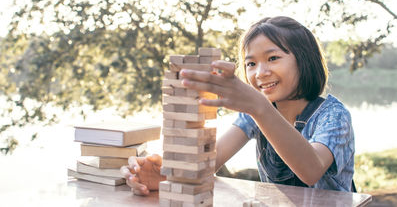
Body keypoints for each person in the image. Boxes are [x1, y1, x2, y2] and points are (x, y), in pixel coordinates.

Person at [120, 16, 355, 195]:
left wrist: (258, 107)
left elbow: (311, 170)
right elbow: (208, 163)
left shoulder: (332, 116)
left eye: (273, 58)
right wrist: (164, 176)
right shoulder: (255, 114)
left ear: (305, 61)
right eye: (251, 63)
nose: (260, 73)